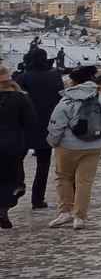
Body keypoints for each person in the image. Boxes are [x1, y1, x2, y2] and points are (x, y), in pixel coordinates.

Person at [45, 64, 101, 230]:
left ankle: (65, 212)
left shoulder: (67, 99)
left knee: (63, 177)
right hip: (94, 146)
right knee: (84, 181)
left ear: (75, 82)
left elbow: (56, 124)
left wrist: (53, 142)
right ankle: (80, 217)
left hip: (67, 146)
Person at [15, 47, 63, 211]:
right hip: (47, 125)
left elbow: (17, 99)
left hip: (24, 126)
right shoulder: (55, 75)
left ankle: (18, 184)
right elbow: (60, 98)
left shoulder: (23, 77)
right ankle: (37, 199)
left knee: (17, 159)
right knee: (43, 165)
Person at [0, 65, 37, 230]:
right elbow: (31, 122)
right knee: (13, 180)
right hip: (13, 145)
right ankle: (4, 208)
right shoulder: (21, 98)